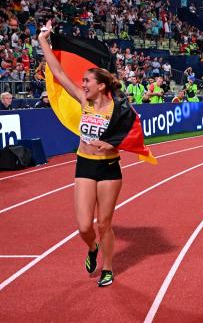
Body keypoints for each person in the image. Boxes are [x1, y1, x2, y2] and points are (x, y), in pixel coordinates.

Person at [38, 20, 125, 287]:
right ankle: (92, 248)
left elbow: (128, 138)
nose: (82, 83)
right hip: (85, 166)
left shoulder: (118, 108)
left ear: (101, 85)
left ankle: (108, 267)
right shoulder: (82, 99)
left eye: (87, 80)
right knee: (85, 227)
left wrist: (110, 144)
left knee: (105, 224)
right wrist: (44, 40)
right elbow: (59, 73)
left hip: (109, 169)